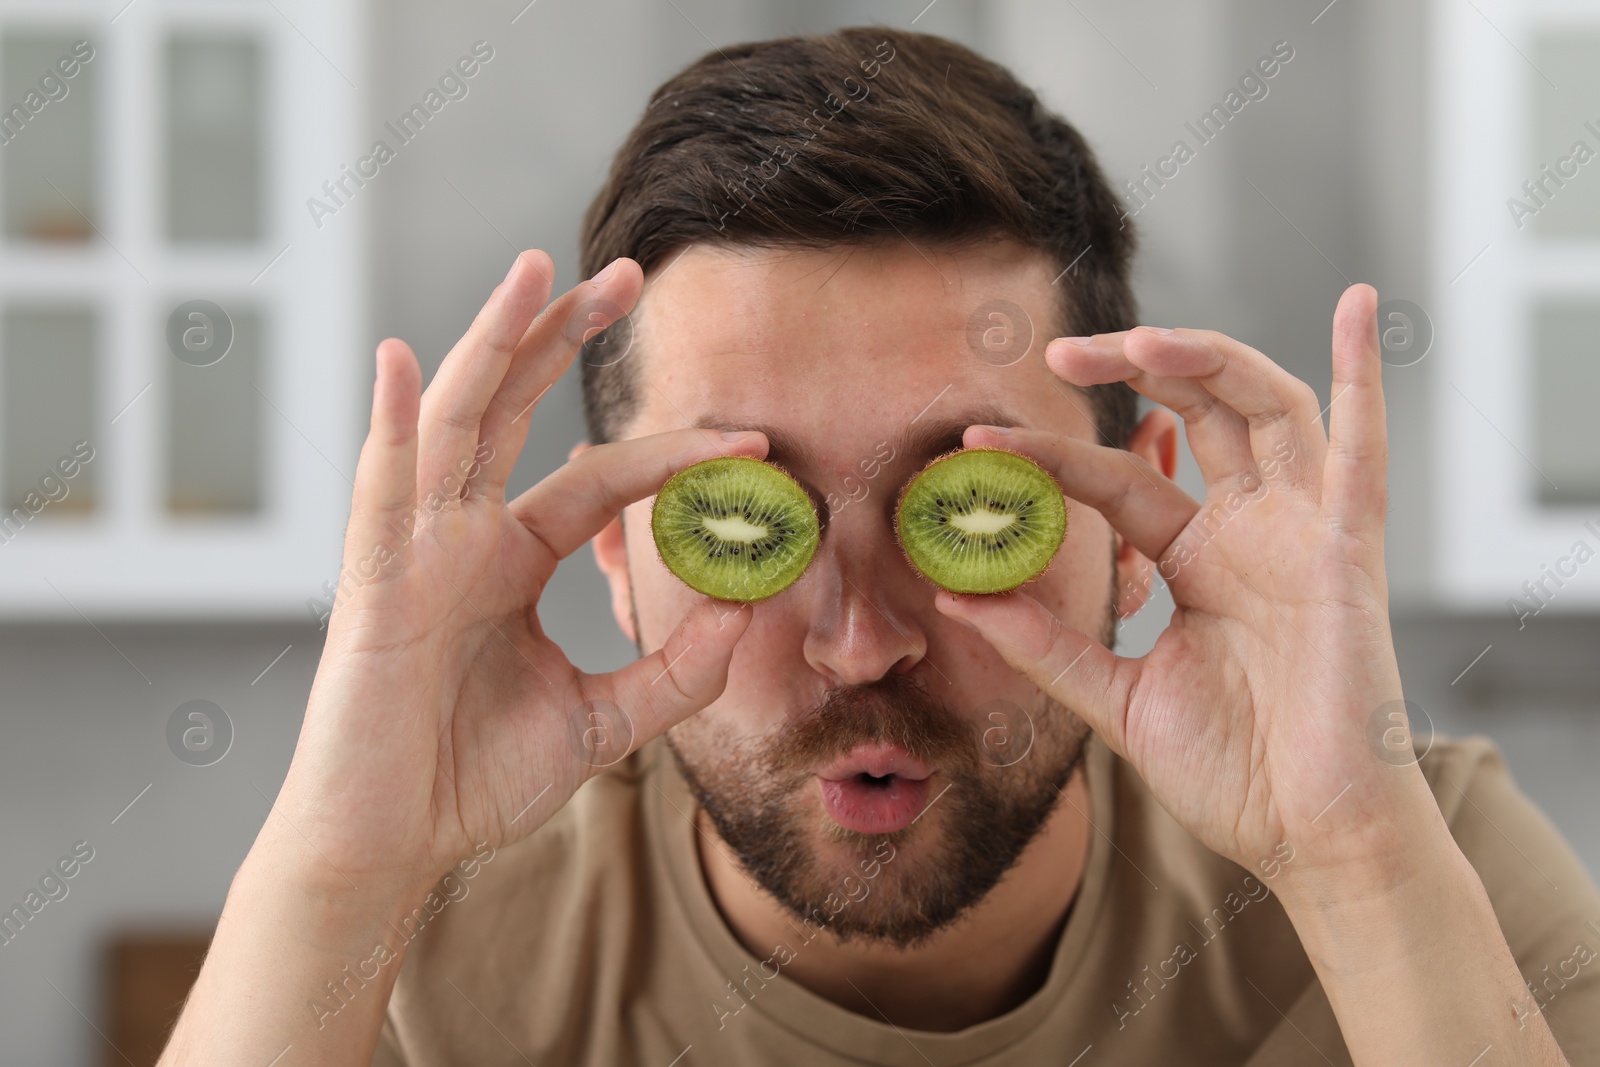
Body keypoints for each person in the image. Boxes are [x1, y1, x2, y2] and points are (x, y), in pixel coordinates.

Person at [159, 27, 1600, 1067]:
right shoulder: (416, 954)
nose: (863, 638)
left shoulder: (1417, 857)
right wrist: (341, 869)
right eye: (748, 518)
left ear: (1135, 519)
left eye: (964, 507)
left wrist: (1356, 864)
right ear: (615, 548)